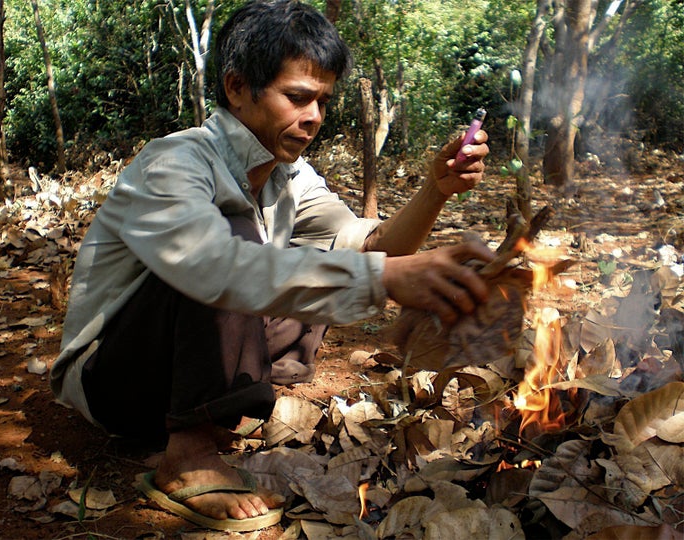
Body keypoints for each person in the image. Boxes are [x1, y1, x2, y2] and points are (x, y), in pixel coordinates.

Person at [50, 0, 492, 531]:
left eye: (323, 102)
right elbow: (212, 267)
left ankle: (217, 411)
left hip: (179, 381)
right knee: (234, 243)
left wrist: (434, 192)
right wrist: (386, 281)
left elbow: (371, 249)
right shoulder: (174, 162)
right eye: (298, 98)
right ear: (237, 87)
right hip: (116, 388)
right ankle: (187, 456)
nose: (314, 119)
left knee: (324, 262)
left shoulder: (290, 178)